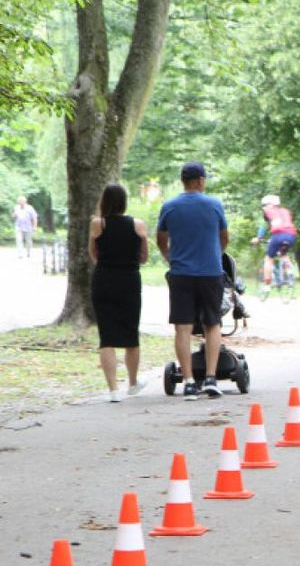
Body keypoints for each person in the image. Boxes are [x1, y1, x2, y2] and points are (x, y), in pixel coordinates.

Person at [156, 161, 230, 400]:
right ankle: (210, 377)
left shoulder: (169, 206)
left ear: (183, 181)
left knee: (182, 327)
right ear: (200, 180)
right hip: (210, 272)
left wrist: (171, 259)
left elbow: (161, 239)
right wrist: (214, 256)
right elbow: (224, 238)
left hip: (181, 274)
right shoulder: (214, 205)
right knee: (212, 323)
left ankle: (188, 381)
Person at [88, 184, 149, 402]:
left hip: (104, 279)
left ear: (104, 201)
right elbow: (143, 257)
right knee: (131, 334)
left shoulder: (98, 224)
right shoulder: (137, 224)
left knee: (107, 337)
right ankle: (132, 382)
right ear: (124, 201)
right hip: (129, 280)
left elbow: (93, 253)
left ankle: (113, 389)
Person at [252, 194, 298, 285]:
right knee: (283, 254)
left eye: (264, 205)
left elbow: (264, 226)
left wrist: (258, 238)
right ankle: (289, 275)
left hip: (278, 235)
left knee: (269, 258)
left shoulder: (268, 211)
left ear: (270, 204)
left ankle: (267, 282)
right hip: (291, 235)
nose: (264, 207)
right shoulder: (286, 211)